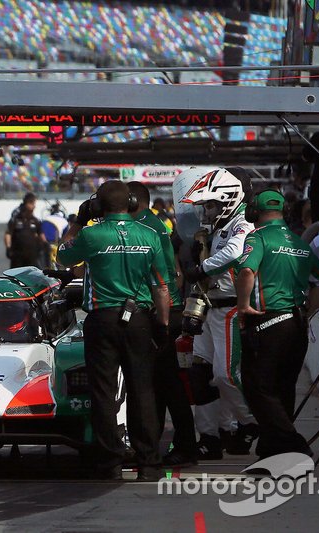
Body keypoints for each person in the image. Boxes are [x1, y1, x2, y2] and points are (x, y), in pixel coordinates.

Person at [57, 180, 171, 481]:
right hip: (140, 319)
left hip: (102, 319)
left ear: (97, 207)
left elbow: (62, 256)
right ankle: (149, 463)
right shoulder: (150, 235)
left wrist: (79, 222)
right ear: (131, 204)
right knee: (142, 391)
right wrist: (162, 325)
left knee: (104, 393)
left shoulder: (91, 234)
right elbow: (162, 286)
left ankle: (109, 463)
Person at [234, 189, 319, 459]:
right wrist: (309, 308)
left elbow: (246, 271)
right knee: (283, 387)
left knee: (257, 387)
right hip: (297, 323)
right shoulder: (300, 243)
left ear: (254, 213)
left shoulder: (258, 237)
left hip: (269, 322)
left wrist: (242, 305)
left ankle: (294, 444)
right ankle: (273, 448)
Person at [178, 167, 258, 460]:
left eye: (210, 204)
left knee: (226, 376)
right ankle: (210, 436)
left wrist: (201, 267)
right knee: (199, 375)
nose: (206, 211)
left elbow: (236, 252)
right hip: (209, 307)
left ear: (228, 200)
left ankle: (252, 422)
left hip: (230, 310)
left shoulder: (242, 224)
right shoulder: (214, 229)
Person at [128, 181, 197, 467]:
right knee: (160, 383)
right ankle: (155, 445)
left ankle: (183, 445)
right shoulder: (156, 225)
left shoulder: (144, 227)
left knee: (166, 384)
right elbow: (175, 274)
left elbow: (164, 277)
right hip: (167, 307)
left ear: (132, 201)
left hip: (160, 310)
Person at [4, 193, 47, 268]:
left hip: (32, 255)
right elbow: (8, 233)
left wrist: (45, 244)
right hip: (17, 254)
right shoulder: (16, 219)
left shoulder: (35, 221)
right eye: (31, 203)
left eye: (34, 204)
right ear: (26, 203)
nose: (34, 206)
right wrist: (8, 247)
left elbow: (40, 234)